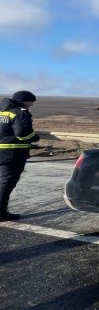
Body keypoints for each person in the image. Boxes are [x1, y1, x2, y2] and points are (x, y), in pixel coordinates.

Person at [0, 90, 40, 220]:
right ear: (24, 100)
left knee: (2, 182)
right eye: (31, 102)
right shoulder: (20, 112)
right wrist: (35, 137)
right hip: (12, 154)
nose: (31, 105)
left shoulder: (2, 112)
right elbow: (23, 134)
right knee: (6, 183)